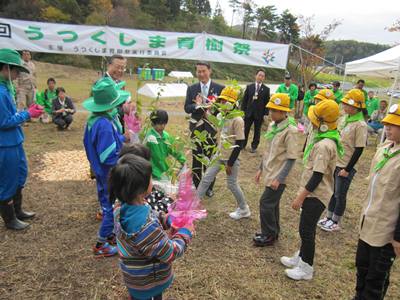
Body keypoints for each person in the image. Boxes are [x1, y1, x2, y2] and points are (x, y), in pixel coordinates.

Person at [110, 154, 192, 300]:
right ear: (140, 188)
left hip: (135, 277)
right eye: (150, 178)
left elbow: (152, 214)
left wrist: (168, 219)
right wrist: (185, 232)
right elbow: (170, 253)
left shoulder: (122, 205)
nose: (152, 181)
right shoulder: (145, 227)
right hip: (149, 282)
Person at [281, 100, 341, 281]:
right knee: (304, 229)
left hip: (316, 195)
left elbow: (317, 176)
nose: (310, 122)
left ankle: (306, 268)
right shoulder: (323, 140)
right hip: (313, 193)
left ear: (323, 124)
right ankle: (301, 257)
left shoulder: (324, 145)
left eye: (313, 119)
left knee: (306, 230)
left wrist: (300, 197)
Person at [353, 103, 400, 300]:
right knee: (361, 268)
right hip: (367, 222)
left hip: (386, 231)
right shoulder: (383, 149)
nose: (387, 128)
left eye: (393, 125)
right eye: (387, 124)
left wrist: (398, 236)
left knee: (376, 278)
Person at [83, 77, 131, 257]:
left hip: (100, 171)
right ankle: (100, 244)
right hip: (108, 173)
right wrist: (124, 157)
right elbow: (107, 155)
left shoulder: (94, 119)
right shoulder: (103, 125)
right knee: (109, 208)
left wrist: (119, 139)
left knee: (107, 202)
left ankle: (110, 234)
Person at [0, 48, 43, 230]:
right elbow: (4, 121)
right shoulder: (0, 93)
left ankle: (18, 210)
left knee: (19, 174)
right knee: (7, 180)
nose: (17, 74)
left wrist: (25, 112)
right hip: (5, 144)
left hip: (15, 141)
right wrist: (27, 114)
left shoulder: (6, 88)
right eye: (16, 70)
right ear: (5, 69)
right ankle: (10, 219)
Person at [197, 86, 250, 220]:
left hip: (231, 158)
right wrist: (206, 110)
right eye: (221, 101)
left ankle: (244, 209)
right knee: (206, 178)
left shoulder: (237, 120)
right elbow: (215, 122)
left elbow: (240, 143)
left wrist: (230, 163)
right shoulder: (221, 115)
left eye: (226, 101)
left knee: (232, 184)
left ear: (233, 103)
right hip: (219, 155)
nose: (222, 103)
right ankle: (193, 206)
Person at [253, 93, 299, 247]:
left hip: (279, 175)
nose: (271, 113)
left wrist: (279, 179)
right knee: (273, 204)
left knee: (265, 203)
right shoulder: (273, 126)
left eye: (275, 110)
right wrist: (260, 169)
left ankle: (269, 234)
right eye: (271, 109)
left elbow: (291, 158)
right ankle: (273, 231)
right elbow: (267, 151)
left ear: (284, 112)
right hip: (269, 170)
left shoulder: (290, 130)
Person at [319, 89, 368, 232]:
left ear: (356, 107)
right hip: (336, 162)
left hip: (346, 165)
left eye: (347, 104)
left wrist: (347, 169)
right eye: (344, 103)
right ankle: (328, 217)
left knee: (340, 194)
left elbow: (359, 149)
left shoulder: (360, 125)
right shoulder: (344, 119)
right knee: (333, 191)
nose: (344, 106)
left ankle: (336, 220)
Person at [184, 61, 224, 197]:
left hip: (212, 129)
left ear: (209, 71)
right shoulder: (192, 89)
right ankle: (197, 185)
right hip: (196, 129)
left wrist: (214, 108)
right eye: (198, 71)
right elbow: (186, 108)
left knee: (210, 159)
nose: (201, 74)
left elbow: (224, 110)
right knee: (197, 158)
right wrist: (197, 106)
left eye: (203, 71)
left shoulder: (220, 88)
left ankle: (209, 187)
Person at [143, 109, 186, 180]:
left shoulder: (166, 136)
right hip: (153, 173)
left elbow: (174, 150)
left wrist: (183, 160)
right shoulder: (150, 137)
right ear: (153, 123)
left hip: (165, 171)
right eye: (160, 124)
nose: (162, 126)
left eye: (164, 123)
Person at [240, 69, 270, 153]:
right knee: (245, 129)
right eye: (259, 75)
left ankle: (254, 146)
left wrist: (265, 113)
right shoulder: (250, 87)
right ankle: (243, 145)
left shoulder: (266, 89)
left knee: (257, 131)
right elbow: (244, 100)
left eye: (262, 76)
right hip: (248, 112)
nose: (260, 77)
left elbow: (267, 103)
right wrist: (242, 111)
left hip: (259, 114)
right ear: (255, 76)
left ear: (264, 78)